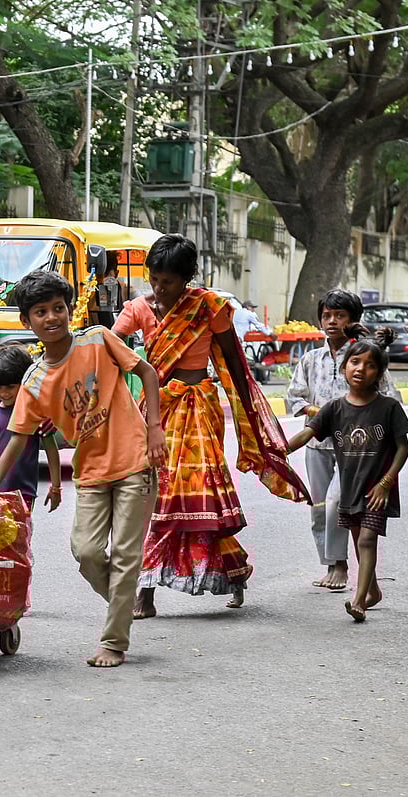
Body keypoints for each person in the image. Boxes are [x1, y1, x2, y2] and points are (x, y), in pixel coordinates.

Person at [112, 234, 308, 619]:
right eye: (154, 279)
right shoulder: (137, 308)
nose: (160, 288)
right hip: (155, 410)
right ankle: (145, 592)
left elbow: (235, 361)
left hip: (199, 408)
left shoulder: (208, 306)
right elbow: (110, 348)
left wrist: (249, 408)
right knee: (155, 496)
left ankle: (228, 576)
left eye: (168, 281)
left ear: (188, 279)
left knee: (197, 497)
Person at [0, 270, 166, 668]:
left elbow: (147, 373)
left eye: (58, 308)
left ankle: (114, 641)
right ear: (26, 321)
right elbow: (17, 437)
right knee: (85, 552)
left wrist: (154, 429)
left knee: (124, 553)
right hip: (91, 473)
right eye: (40, 312)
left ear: (69, 310)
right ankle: (123, 599)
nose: (51, 318)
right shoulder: (35, 380)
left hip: (135, 458)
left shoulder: (99, 340)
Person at [287, 325, 408, 621]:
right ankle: (374, 590)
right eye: (355, 362)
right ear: (344, 368)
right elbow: (307, 434)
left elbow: (402, 447)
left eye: (370, 365)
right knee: (358, 540)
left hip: (377, 489)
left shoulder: (388, 408)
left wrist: (386, 482)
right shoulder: (334, 408)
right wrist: (277, 451)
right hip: (350, 489)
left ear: (379, 374)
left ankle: (359, 600)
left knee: (367, 540)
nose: (361, 369)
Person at [0, 345, 64, 513]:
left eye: (11, 387)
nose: (4, 393)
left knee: (20, 536)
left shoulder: (36, 415)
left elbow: (51, 450)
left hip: (23, 493)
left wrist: (56, 487)